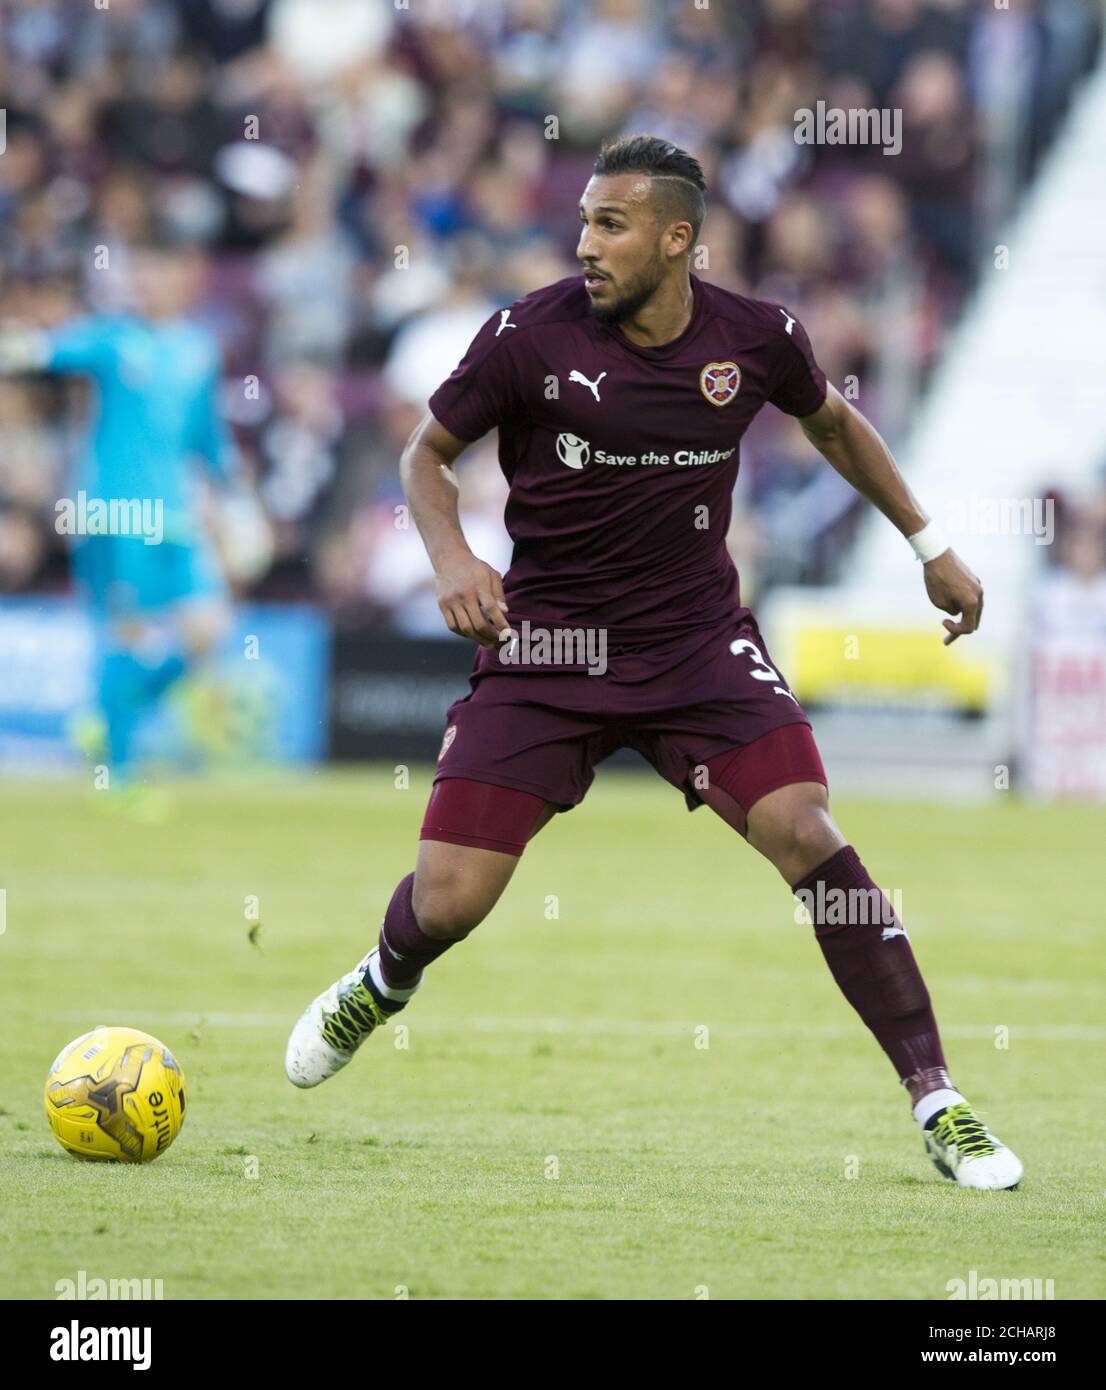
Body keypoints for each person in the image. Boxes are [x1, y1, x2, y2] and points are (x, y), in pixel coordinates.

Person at [286, 135, 1021, 1190]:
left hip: (695, 646)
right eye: (583, 219)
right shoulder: (525, 336)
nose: (584, 242)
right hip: (543, 647)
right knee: (448, 900)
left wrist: (928, 545)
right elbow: (425, 454)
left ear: (677, 239)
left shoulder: (755, 337)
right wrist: (451, 555)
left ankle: (938, 1098)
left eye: (610, 224)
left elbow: (835, 425)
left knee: (809, 836)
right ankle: (383, 974)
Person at [0, 239, 238, 808]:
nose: (147, 282)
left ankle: (111, 717)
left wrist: (235, 495)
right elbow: (42, 352)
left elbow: (207, 437)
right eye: (141, 272)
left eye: (159, 270)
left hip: (174, 518)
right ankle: (120, 776)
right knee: (126, 635)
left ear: (185, 278)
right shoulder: (110, 339)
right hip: (113, 514)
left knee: (211, 629)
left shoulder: (199, 349)